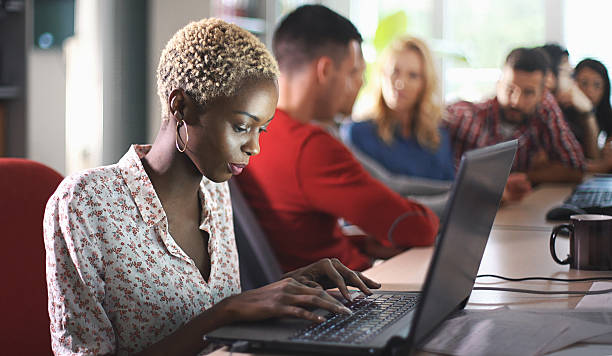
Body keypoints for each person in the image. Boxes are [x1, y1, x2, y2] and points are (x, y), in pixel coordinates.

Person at [44, 18, 381, 356]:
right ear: (181, 106)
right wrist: (223, 315)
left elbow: (215, 312)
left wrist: (287, 287)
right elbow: (218, 315)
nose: (254, 147)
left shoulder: (216, 188)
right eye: (241, 126)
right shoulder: (85, 203)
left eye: (260, 130)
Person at [235, 5, 439, 273]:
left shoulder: (254, 133)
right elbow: (414, 226)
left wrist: (363, 242)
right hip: (348, 295)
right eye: (353, 72)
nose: (359, 85)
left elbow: (303, 232)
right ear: (325, 70)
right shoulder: (310, 146)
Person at [445, 47, 585, 202]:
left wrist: (525, 176)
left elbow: (575, 168)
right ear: (498, 85)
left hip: (511, 214)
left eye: (529, 92)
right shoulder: (466, 117)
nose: (516, 101)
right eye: (510, 89)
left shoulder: (544, 111)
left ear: (542, 94)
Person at [340, 36, 454, 216]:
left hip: (434, 230)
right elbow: (381, 199)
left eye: (413, 75)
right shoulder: (357, 133)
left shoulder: (437, 135)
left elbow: (452, 192)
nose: (400, 83)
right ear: (381, 75)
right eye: (395, 72)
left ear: (425, 84)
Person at [539, 44, 600, 159]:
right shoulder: (540, 109)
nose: (573, 80)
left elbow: (591, 157)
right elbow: (573, 166)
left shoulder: (567, 108)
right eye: (566, 72)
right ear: (548, 77)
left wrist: (588, 113)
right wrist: (602, 166)